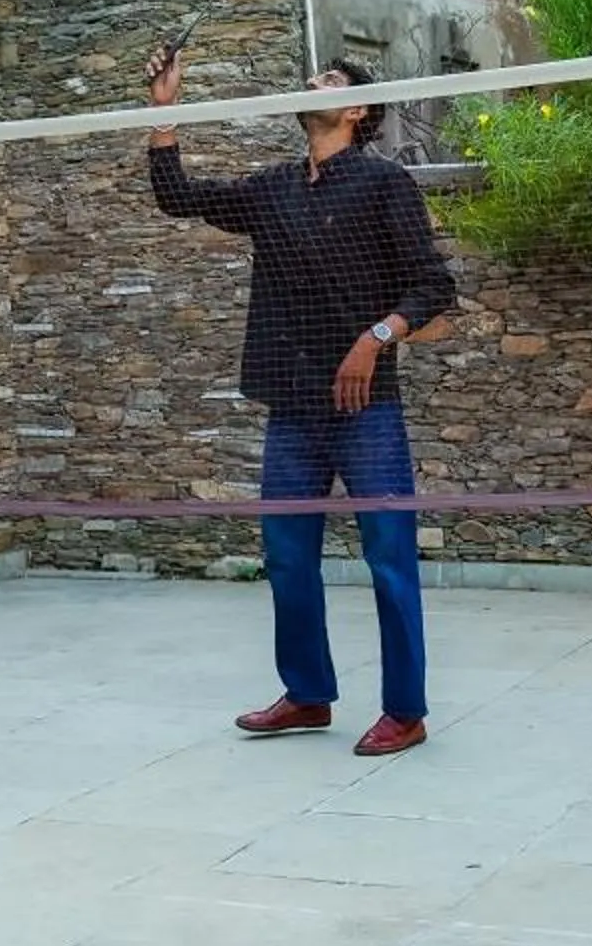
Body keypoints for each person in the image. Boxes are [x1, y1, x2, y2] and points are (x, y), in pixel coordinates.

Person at [146, 41, 457, 756]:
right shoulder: (274, 188)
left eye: (329, 80)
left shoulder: (385, 185)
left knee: (389, 557)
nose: (310, 84)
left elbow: (434, 285)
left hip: (364, 407)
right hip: (291, 404)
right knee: (286, 558)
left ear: (356, 109)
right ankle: (309, 694)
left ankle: (405, 712)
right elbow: (179, 197)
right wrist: (165, 113)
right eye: (311, 76)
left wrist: (375, 337)